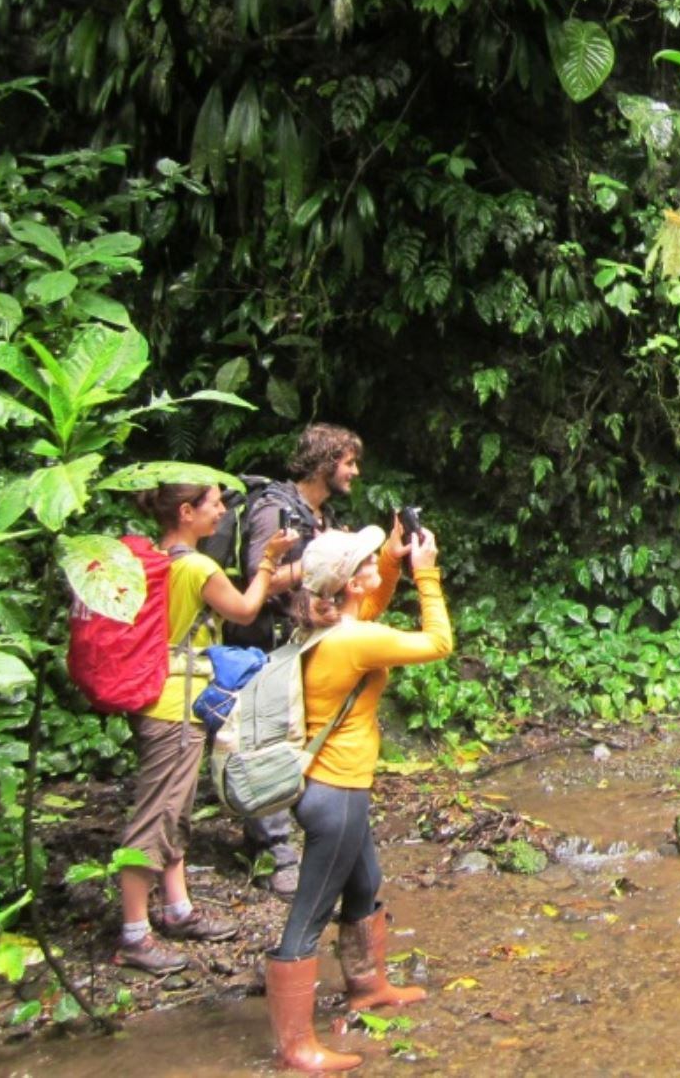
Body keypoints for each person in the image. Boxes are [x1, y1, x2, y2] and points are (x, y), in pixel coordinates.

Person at [265, 521, 452, 1073]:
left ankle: (367, 987)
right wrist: (427, 574)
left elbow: (368, 608)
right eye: (367, 563)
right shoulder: (354, 640)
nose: (374, 566)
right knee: (309, 912)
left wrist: (392, 563)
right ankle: (295, 1044)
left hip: (331, 788)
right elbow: (438, 643)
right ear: (348, 582)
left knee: (365, 883)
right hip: (336, 793)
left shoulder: (328, 628)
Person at [114, 483, 294, 974]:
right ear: (187, 511)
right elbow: (244, 609)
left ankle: (178, 908)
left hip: (161, 698)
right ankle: (133, 933)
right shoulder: (196, 567)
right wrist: (268, 560)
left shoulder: (154, 560)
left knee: (177, 808)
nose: (223, 512)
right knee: (157, 815)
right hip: (175, 705)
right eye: (215, 503)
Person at [232, 423, 364, 897]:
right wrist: (320, 562)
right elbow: (258, 578)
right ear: (327, 462)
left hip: (304, 641)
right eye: (349, 462)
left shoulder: (320, 515)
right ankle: (273, 852)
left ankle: (297, 839)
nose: (354, 472)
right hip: (264, 645)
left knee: (297, 740)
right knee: (268, 743)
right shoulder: (276, 510)